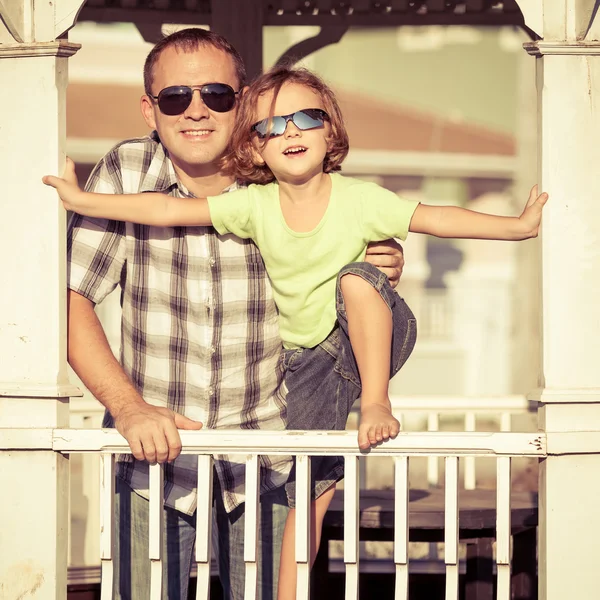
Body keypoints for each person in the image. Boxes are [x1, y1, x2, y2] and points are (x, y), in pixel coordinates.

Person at [46, 65, 548, 599]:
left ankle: (377, 401)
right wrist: (82, 201)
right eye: (272, 125)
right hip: (302, 362)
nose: (289, 131)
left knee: (357, 284)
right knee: (311, 478)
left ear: (330, 131)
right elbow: (166, 207)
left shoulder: (361, 198)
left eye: (306, 118)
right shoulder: (254, 203)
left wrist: (516, 227)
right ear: (255, 144)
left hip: (356, 339)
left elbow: (437, 218)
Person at [61, 29, 408, 600]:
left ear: (243, 100)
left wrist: (382, 259)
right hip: (150, 460)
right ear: (150, 108)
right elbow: (72, 298)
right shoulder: (126, 172)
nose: (196, 110)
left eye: (217, 95)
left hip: (271, 454)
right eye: (175, 97)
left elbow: (356, 250)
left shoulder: (287, 171)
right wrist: (128, 410)